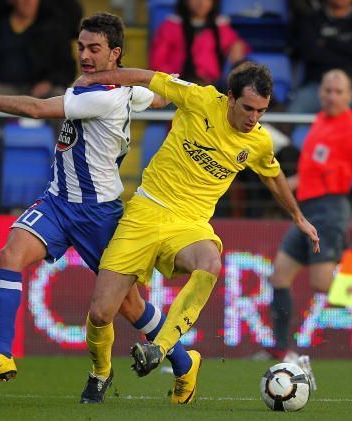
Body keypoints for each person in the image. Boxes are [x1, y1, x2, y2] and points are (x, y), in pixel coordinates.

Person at [0, 12, 195, 405]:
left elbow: (39, 110)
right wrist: (173, 88)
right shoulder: (115, 88)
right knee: (10, 253)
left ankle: (183, 361)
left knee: (130, 306)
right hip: (58, 202)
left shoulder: (102, 95)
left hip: (99, 214)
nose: (86, 56)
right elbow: (155, 95)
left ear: (116, 53)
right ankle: (2, 354)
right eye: (81, 48)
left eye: (94, 49)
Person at [73, 62, 320, 401]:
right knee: (101, 312)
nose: (254, 118)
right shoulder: (199, 98)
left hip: (190, 223)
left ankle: (161, 349)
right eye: (248, 108)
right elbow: (145, 78)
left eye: (261, 111)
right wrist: (93, 78)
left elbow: (272, 175)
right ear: (229, 98)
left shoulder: (259, 141)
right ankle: (100, 374)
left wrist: (298, 217)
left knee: (210, 261)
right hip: (146, 210)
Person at [268, 70, 352, 387]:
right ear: (320, 92)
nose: (331, 96)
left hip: (331, 209)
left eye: (338, 91)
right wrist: (287, 185)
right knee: (279, 275)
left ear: (349, 97)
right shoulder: (320, 121)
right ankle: (280, 350)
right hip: (308, 208)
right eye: (327, 90)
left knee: (322, 282)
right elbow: (317, 171)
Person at [287, 0, 352, 113]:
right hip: (317, 86)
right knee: (294, 111)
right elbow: (311, 53)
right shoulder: (312, 19)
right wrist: (350, 47)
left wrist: (327, 42)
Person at [0, 0, 77, 97]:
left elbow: (67, 69)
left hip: (42, 89)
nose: (28, 2)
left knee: (58, 94)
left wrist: (49, 82)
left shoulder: (55, 28)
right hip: (6, 88)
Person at [150, 0, 249, 87]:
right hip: (178, 85)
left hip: (211, 85)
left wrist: (236, 47)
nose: (201, 3)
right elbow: (157, 62)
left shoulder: (220, 27)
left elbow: (236, 45)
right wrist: (172, 81)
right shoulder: (171, 26)